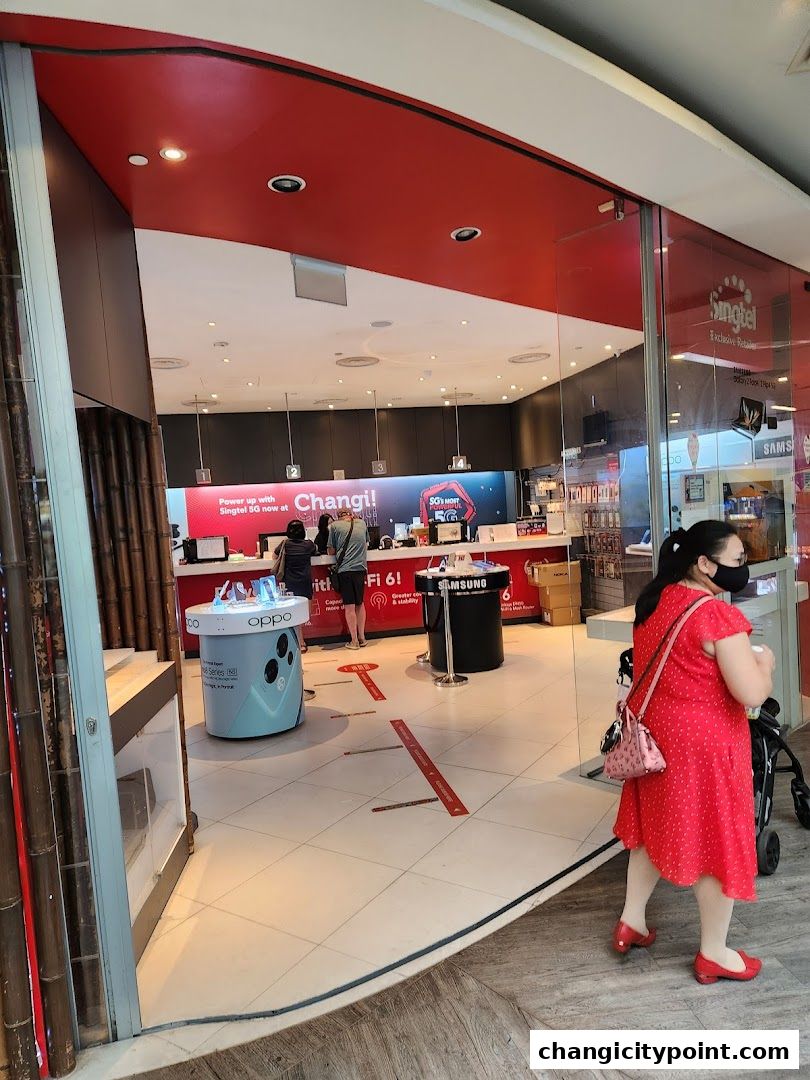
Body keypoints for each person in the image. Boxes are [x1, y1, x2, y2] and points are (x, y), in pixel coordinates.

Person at [612, 520, 775, 985]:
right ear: (704, 565)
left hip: (654, 741)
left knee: (652, 828)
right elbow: (751, 693)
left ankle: (632, 919)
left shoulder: (655, 602)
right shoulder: (716, 616)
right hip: (704, 749)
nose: (743, 567)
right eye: (737, 559)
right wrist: (765, 664)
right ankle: (714, 952)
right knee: (717, 843)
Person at [327, 508, 370, 650]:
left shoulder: (334, 526)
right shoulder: (362, 523)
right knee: (360, 603)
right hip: (360, 569)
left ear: (338, 517)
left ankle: (354, 641)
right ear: (351, 515)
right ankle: (362, 637)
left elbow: (331, 551)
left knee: (349, 606)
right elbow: (367, 544)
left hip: (345, 570)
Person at [274, 519, 316, 652]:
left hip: (290, 583)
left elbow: (275, 556)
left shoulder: (284, 544)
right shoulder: (308, 544)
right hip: (305, 582)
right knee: (305, 613)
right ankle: (301, 641)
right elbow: (316, 551)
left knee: (294, 613)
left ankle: (299, 641)